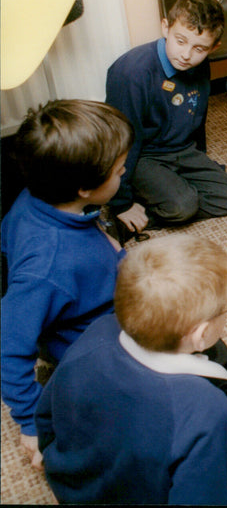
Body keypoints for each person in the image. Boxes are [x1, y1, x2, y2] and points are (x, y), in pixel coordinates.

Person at [35, 235, 227, 504]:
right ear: (200, 335)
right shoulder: (209, 409)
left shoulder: (99, 329)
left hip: (73, 484)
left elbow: (45, 416)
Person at [1, 99, 132, 470]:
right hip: (87, 339)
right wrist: (29, 421)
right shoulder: (45, 269)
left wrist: (111, 250)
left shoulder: (36, 195)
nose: (125, 172)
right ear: (84, 188)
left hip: (93, 292)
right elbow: (8, 345)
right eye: (119, 170)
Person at [107, 0, 227, 240]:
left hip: (181, 149)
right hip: (142, 155)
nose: (186, 55)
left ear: (213, 47)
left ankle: (161, 202)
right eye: (180, 41)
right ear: (165, 27)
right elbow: (121, 141)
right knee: (184, 205)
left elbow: (196, 115)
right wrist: (121, 202)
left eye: (199, 48)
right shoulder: (131, 73)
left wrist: (201, 159)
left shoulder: (199, 64)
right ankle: (126, 220)